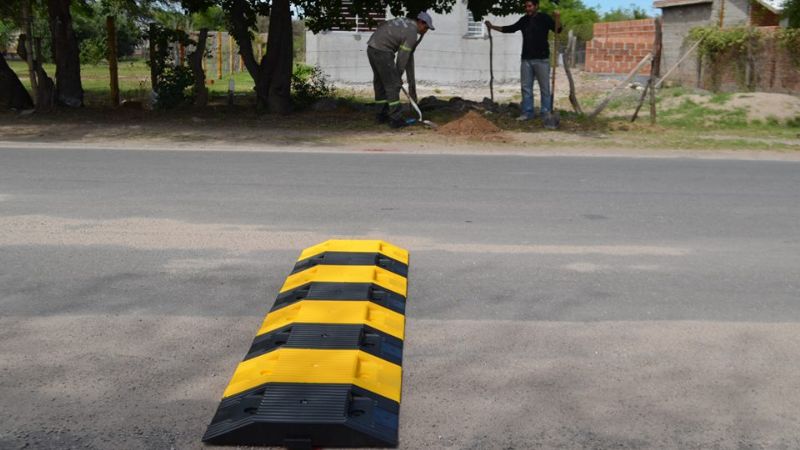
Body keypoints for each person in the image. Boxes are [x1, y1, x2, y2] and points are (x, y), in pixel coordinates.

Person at [485, 0, 561, 121]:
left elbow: (558, 30)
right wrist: (492, 27)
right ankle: (527, 113)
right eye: (526, 6)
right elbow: (510, 29)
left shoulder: (544, 18)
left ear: (536, 6)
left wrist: (557, 19)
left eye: (530, 6)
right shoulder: (524, 20)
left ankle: (546, 113)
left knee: (545, 88)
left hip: (542, 59)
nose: (527, 8)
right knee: (526, 88)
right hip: (526, 59)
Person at [367, 11, 435, 128]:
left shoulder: (405, 22)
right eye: (426, 27)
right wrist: (398, 76)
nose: (426, 31)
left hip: (372, 48)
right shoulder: (412, 33)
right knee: (393, 85)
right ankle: (395, 119)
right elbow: (403, 56)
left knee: (380, 83)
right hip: (383, 51)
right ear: (421, 22)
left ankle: (381, 115)